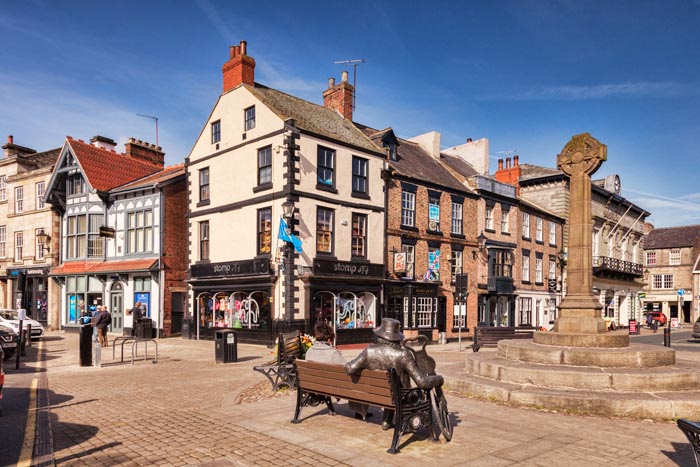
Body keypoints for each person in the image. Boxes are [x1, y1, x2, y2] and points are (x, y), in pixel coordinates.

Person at [345, 318, 444, 430]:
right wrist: (439, 379)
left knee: (392, 385)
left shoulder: (369, 351)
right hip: (398, 397)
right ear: (397, 337)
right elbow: (422, 382)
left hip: (375, 394)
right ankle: (417, 426)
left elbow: (349, 369)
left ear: (380, 335)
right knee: (399, 384)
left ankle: (387, 421)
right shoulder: (403, 354)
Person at [305, 322, 371, 420]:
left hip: (315, 385)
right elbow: (348, 368)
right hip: (333, 387)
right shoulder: (332, 353)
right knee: (358, 380)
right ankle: (360, 412)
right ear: (328, 340)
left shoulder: (309, 351)